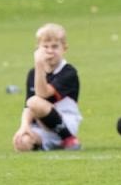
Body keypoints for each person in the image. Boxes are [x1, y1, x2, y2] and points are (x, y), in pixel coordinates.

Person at [12, 23, 83, 152]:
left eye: (55, 47)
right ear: (38, 48)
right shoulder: (32, 73)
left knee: (35, 101)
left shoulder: (68, 72)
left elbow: (42, 93)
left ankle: (68, 139)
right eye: (45, 47)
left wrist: (39, 64)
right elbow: (28, 106)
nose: (50, 51)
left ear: (64, 49)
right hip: (41, 125)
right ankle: (51, 143)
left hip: (66, 122)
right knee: (22, 143)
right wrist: (24, 126)